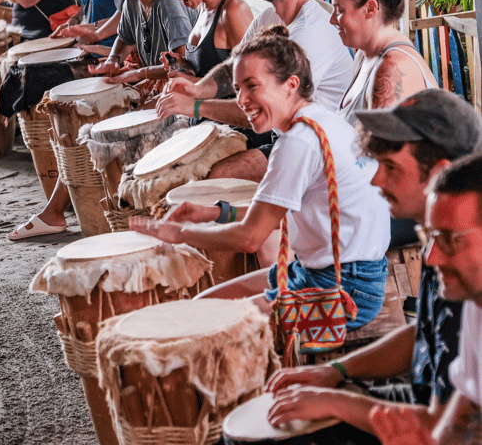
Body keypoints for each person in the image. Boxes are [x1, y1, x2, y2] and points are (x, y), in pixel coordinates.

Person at [131, 26, 390, 328]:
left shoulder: (299, 142)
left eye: (252, 86)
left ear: (291, 84)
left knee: (204, 323)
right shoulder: (322, 122)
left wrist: (178, 234)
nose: (241, 99)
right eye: (238, 88)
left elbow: (250, 237)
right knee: (204, 303)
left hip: (343, 291)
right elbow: (279, 212)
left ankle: (279, 374)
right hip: (337, 275)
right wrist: (215, 212)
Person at [265, 89, 482, 438]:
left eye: (392, 166)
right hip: (420, 404)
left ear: (438, 172)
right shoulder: (441, 242)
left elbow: (446, 433)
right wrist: (335, 372)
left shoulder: (466, 266)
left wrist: (340, 402)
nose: (376, 179)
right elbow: (426, 332)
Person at [156, 0, 353, 182]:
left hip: (320, 150)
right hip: (288, 137)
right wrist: (197, 89)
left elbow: (264, 108)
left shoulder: (308, 33)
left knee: (217, 174)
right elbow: (233, 65)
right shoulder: (270, 16)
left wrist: (196, 107)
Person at [9, 0, 149, 240]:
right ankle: (62, 200)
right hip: (100, 49)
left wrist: (98, 47)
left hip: (118, 57)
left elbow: (125, 22)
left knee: (49, 85)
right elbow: (101, 17)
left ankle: (58, 207)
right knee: (27, 73)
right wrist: (78, 28)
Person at [369, 153, 482, 445]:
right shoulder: (475, 305)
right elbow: (467, 407)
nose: (431, 257)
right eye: (429, 237)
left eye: (448, 238)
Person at [334, 0, 437, 124]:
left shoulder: (392, 69)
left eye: (339, 10)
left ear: (370, 8)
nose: (332, 19)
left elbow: (388, 149)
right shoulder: (364, 55)